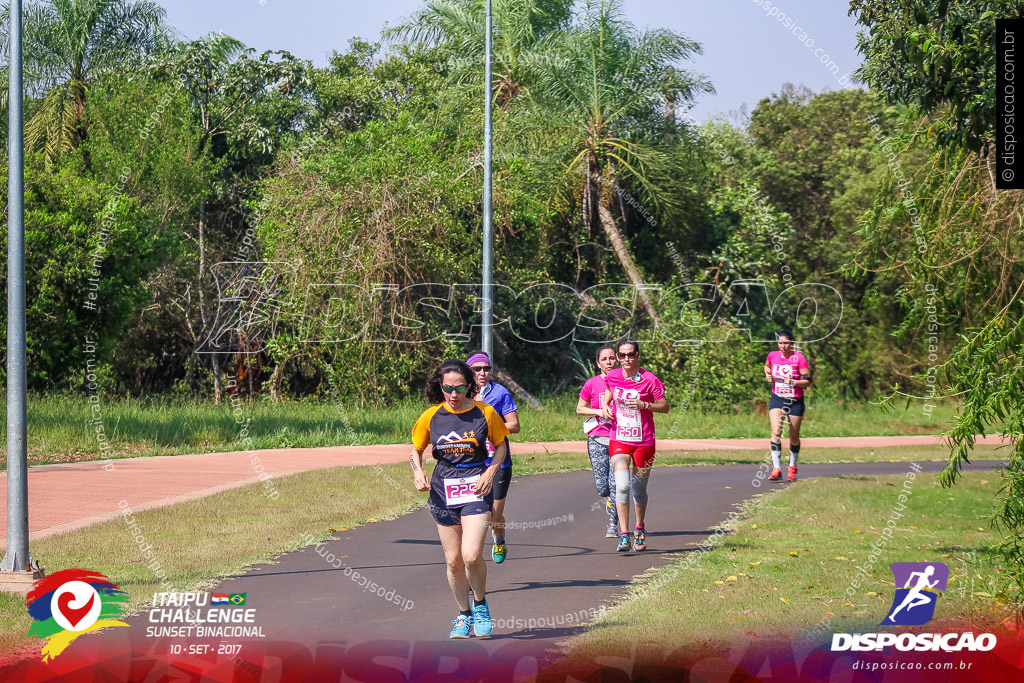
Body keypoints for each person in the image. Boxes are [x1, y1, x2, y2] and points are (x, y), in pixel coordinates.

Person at [411, 359, 510, 638]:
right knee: (453, 560)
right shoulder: (431, 416)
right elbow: (415, 449)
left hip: (476, 488)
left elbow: (501, 445)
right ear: (440, 388)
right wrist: (418, 472)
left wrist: (491, 471)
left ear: (469, 386)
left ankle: (480, 604)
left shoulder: (485, 413)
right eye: (448, 389)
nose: (454, 395)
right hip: (443, 490)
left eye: (460, 388)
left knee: (470, 554)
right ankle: (463, 614)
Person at [601, 339, 669, 552]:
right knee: (621, 485)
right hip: (619, 438)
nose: (626, 359)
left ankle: (639, 527)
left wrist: (644, 405)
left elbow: (665, 407)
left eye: (631, 354)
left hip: (644, 441)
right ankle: (624, 533)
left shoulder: (650, 380)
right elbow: (609, 391)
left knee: (639, 490)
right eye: (622, 355)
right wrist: (605, 405)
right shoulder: (612, 376)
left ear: (638, 355)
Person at [465, 351, 519, 564]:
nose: (483, 373)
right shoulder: (462, 394)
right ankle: (472, 559)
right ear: (469, 372)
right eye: (477, 369)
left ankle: (499, 539)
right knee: (475, 515)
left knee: (494, 516)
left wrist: (488, 429)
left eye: (486, 368)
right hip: (470, 463)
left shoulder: (500, 393)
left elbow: (514, 426)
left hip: (498, 462)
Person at [576, 344, 621, 537]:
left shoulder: (624, 381)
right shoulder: (592, 383)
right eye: (604, 359)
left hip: (619, 438)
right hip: (597, 437)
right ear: (598, 363)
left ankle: (613, 524)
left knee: (616, 483)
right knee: (603, 488)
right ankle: (610, 501)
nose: (609, 362)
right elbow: (580, 408)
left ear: (617, 359)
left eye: (612, 358)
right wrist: (599, 411)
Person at [763, 329, 811, 482]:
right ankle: (776, 468)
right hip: (777, 398)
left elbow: (807, 381)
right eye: (780, 343)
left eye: (786, 343)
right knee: (776, 431)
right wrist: (767, 374)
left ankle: (792, 467)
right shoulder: (773, 355)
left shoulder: (799, 358)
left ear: (792, 343)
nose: (783, 346)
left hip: (795, 401)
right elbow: (767, 366)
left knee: (794, 436)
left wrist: (794, 382)